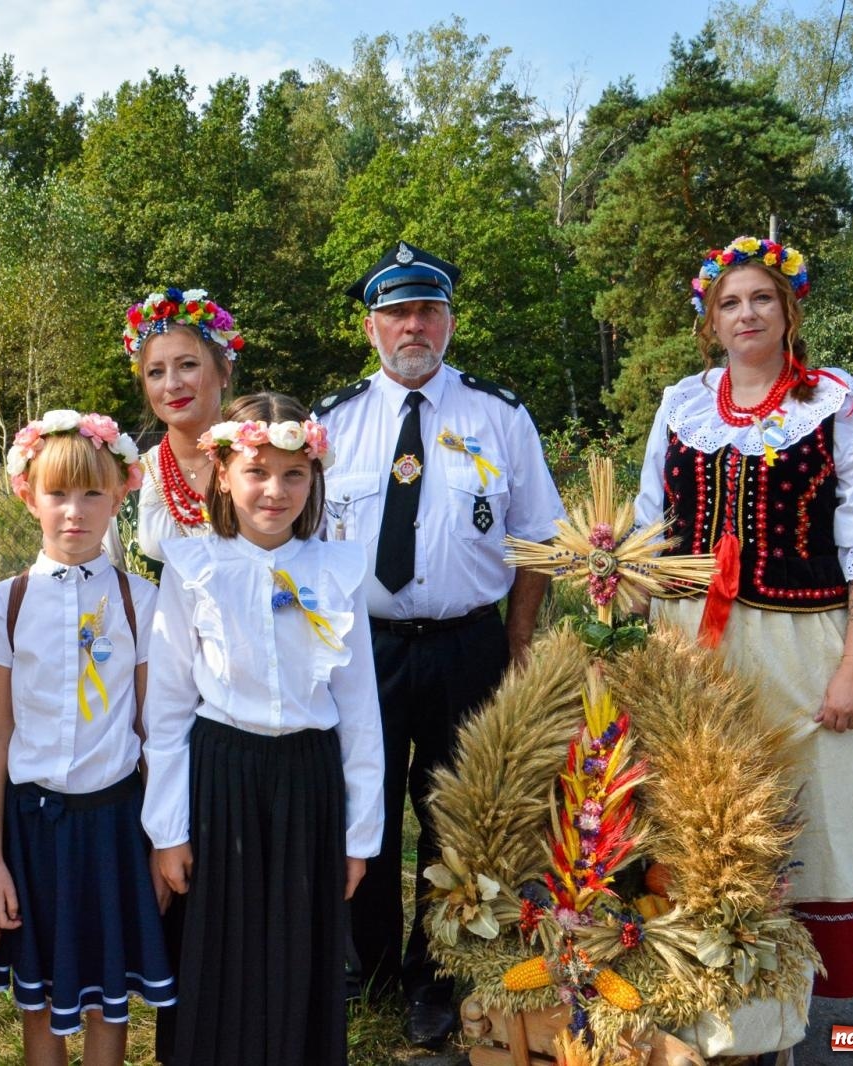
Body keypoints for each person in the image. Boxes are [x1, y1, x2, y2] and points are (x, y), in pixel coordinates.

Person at [635, 235, 853, 999]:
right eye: (730, 302)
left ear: (789, 309)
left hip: (803, 644)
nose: (746, 313)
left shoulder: (836, 404)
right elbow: (646, 529)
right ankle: (700, 985)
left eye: (762, 298)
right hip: (686, 640)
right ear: (710, 322)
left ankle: (783, 1006)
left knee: (802, 810)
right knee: (693, 807)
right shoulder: (683, 404)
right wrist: (618, 633)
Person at [311, 241, 564, 1047]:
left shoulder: (500, 414)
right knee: (364, 803)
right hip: (362, 649)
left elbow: (537, 541)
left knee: (460, 815)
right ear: (370, 328)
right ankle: (367, 963)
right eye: (397, 313)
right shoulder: (331, 423)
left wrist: (519, 644)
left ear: (449, 322)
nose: (413, 326)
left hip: (467, 645)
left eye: (427, 310)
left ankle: (439, 972)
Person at [141, 392, 383, 1066]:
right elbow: (165, 710)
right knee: (221, 947)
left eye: (292, 474)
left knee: (298, 947)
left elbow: (360, 710)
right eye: (256, 472)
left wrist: (359, 836)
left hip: (308, 780)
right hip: (223, 777)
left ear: (314, 478)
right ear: (222, 473)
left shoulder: (337, 570)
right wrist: (169, 831)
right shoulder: (193, 568)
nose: (274, 491)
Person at [0, 410, 173, 1066]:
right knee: (41, 1000)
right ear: (27, 495)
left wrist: (163, 840)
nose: (74, 512)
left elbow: (152, 730)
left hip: (114, 824)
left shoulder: (141, 599)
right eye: (57, 493)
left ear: (121, 495)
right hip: (34, 828)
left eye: (93, 493)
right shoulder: (5, 601)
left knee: (103, 996)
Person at [121, 286, 243, 562]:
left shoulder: (267, 466)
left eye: (187, 365)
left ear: (224, 370)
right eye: (155, 372)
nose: (172, 384)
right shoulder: (127, 481)